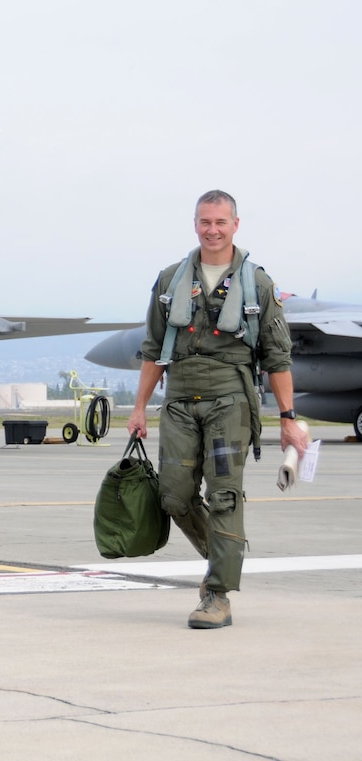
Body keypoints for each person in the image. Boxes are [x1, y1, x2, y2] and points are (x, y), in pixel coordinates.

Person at [127, 189, 308, 630]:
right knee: (173, 494)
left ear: (235, 225)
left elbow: (277, 358)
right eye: (205, 222)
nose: (212, 230)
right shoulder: (171, 280)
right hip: (179, 401)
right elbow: (153, 350)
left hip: (230, 401)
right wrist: (137, 411)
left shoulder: (258, 285)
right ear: (195, 225)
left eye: (220, 223)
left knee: (223, 494)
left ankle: (217, 593)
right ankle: (226, 555)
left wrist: (287, 420)